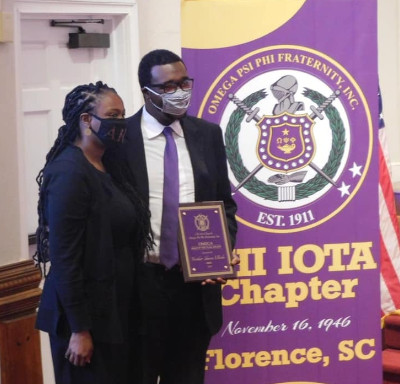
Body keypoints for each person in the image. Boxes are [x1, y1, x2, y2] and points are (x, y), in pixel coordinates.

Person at [122, 49, 238, 384]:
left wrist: (224, 247)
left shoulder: (207, 135)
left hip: (194, 286)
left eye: (184, 82)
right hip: (141, 284)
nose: (181, 91)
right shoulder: (122, 140)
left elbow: (224, 204)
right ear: (147, 93)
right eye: (169, 86)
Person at [34, 81, 151, 384]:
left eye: (123, 114)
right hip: (85, 321)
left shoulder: (110, 163)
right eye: (113, 114)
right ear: (86, 120)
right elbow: (65, 258)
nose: (121, 122)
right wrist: (79, 329)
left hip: (118, 310)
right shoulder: (68, 173)